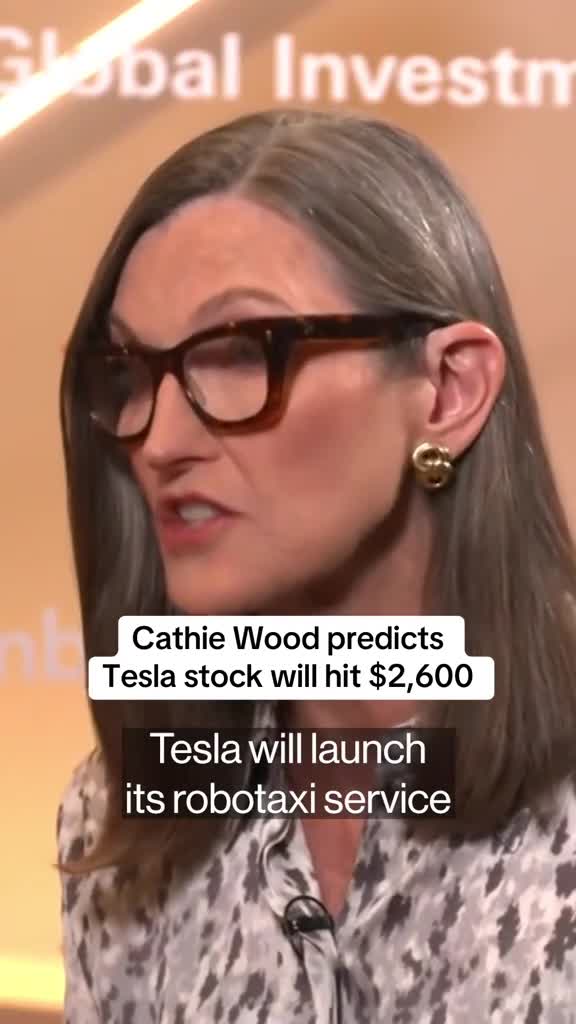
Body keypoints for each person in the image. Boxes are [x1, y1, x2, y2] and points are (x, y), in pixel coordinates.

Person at [57, 108, 576, 1024]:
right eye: (132, 374)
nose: (160, 442)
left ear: (449, 391)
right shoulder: (126, 814)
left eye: (239, 352)